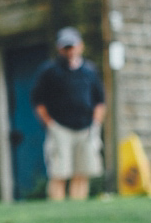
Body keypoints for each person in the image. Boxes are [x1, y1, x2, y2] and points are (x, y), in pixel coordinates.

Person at [31, 26, 106, 201]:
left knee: (82, 172)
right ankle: (58, 206)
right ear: (59, 48)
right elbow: (38, 100)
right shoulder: (49, 71)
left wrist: (96, 124)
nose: (69, 51)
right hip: (60, 127)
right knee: (59, 172)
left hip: (86, 127)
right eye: (65, 47)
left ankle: (78, 206)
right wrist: (49, 123)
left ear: (80, 46)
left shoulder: (89, 71)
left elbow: (100, 100)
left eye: (72, 46)